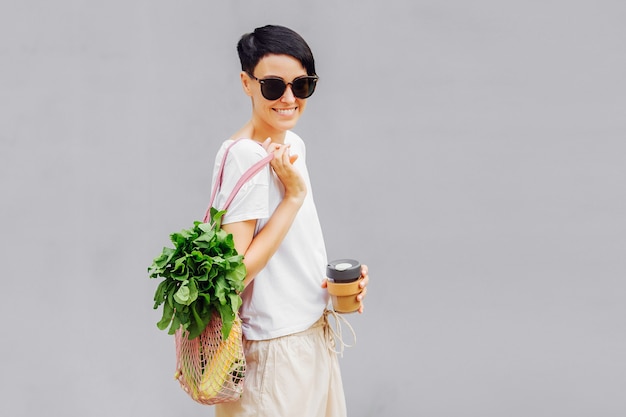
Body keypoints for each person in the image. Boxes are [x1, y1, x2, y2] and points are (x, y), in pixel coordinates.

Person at [211, 25, 369, 417]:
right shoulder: (244, 156)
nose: (288, 98)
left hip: (314, 335)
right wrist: (293, 197)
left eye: (301, 85)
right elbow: (233, 275)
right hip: (273, 354)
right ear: (247, 83)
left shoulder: (292, 144)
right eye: (273, 86)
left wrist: (332, 289)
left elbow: (291, 250)